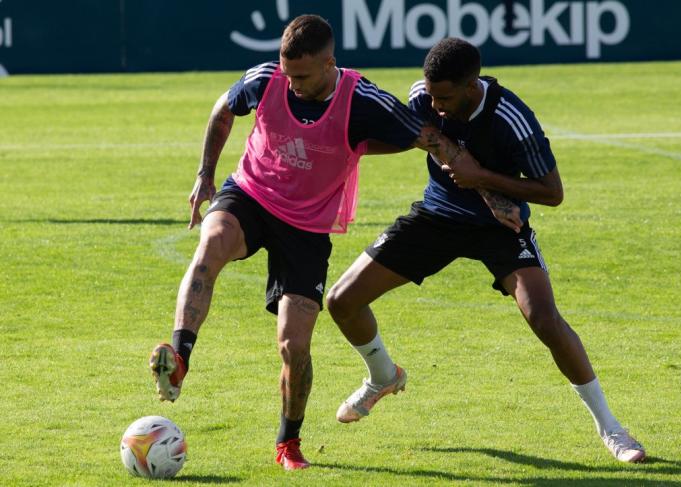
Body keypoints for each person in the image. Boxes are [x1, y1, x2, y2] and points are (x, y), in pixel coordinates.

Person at [148, 17, 518, 471]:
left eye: (302, 76)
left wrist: (492, 195)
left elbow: (432, 141)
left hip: (306, 227)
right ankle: (179, 359)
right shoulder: (266, 80)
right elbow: (223, 109)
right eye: (288, 74)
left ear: (330, 63)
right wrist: (205, 174)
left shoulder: (363, 100)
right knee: (212, 244)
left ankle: (289, 443)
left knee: (293, 344)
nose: (292, 85)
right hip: (250, 193)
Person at [326, 37, 646, 464]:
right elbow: (419, 135)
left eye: (445, 97)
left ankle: (612, 428)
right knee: (341, 300)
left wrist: (483, 178)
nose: (435, 105)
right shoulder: (424, 96)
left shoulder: (512, 118)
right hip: (437, 217)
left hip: (499, 229)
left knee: (544, 318)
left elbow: (552, 193)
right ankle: (383, 375)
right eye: (431, 94)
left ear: (472, 84)